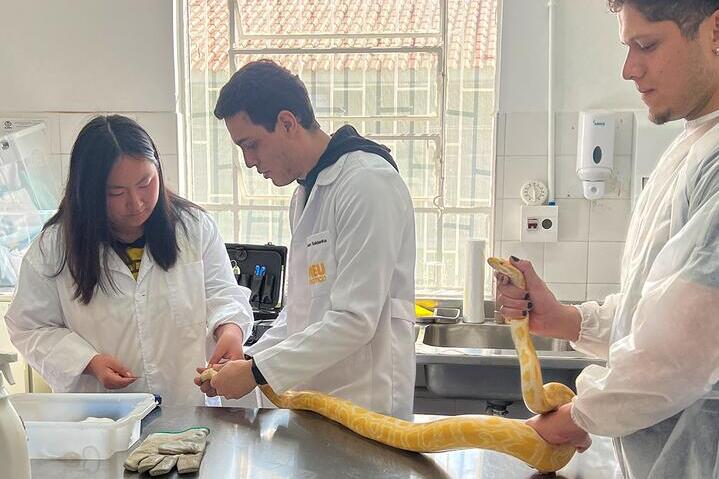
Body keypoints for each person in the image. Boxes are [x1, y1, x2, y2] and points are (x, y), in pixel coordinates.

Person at [495, 1, 719, 477]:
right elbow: (660, 309)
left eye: (647, 44)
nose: (629, 69)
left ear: (716, 30)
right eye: (627, 47)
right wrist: (566, 320)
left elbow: (681, 354)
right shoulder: (692, 149)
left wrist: (574, 420)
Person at [196, 60, 417, 420]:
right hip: (315, 401)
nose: (249, 161)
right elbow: (300, 312)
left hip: (365, 403)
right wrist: (248, 358)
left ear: (287, 122)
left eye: (251, 145)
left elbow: (355, 319)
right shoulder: (305, 195)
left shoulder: (366, 183)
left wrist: (255, 373)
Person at [4, 115, 254, 406]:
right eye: (116, 192)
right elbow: (29, 327)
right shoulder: (55, 247)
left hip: (188, 407)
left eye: (145, 183)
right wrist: (88, 361)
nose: (135, 202)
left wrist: (231, 330)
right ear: (89, 192)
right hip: (103, 418)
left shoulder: (193, 228)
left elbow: (222, 294)